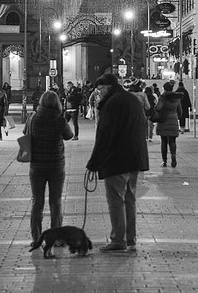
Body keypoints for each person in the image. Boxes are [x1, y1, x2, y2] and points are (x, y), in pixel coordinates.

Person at [84, 72, 151, 253]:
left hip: (118, 159)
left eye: (99, 91)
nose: (98, 94)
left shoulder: (112, 104)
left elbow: (106, 136)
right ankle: (131, 238)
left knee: (116, 200)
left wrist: (94, 163)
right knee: (129, 199)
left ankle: (118, 239)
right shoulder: (130, 100)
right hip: (135, 159)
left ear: (106, 88)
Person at [23, 89, 70, 247]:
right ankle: (56, 237)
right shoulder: (59, 119)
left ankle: (36, 237)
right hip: (56, 165)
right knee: (55, 202)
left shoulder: (33, 117)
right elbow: (69, 135)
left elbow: (25, 133)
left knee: (37, 202)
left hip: (36, 166)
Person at [151, 83, 183, 167]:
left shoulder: (163, 97)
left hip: (163, 121)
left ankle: (164, 161)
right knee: (172, 141)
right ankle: (173, 156)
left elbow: (158, 108)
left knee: (164, 141)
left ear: (164, 88)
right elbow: (180, 112)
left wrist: (156, 104)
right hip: (173, 120)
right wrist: (175, 117)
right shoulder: (177, 98)